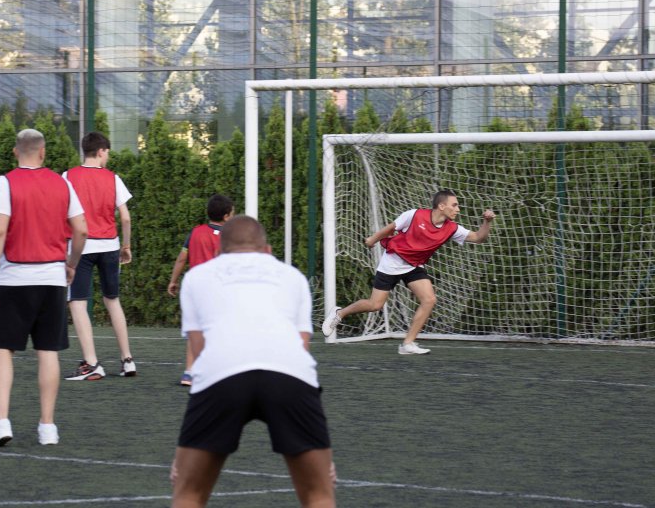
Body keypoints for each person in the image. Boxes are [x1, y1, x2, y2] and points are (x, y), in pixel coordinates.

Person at [171, 215, 335, 508]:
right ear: (268, 251)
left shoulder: (197, 277)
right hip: (290, 374)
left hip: (221, 373)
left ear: (220, 251)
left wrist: (183, 455)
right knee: (319, 494)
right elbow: (302, 344)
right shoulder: (292, 276)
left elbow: (199, 349)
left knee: (188, 494)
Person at [0, 129, 87, 447]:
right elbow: (81, 229)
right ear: (43, 153)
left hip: (15, 277)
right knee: (48, 352)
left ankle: (2, 421)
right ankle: (47, 427)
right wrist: (71, 262)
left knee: (3, 350)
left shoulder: (5, 182)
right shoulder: (63, 183)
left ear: (16, 152)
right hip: (53, 278)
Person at [322, 189, 495, 355]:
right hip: (392, 262)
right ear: (442, 206)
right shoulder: (414, 215)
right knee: (375, 305)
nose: (458, 209)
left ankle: (407, 344)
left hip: (414, 266)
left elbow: (479, 238)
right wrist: (372, 240)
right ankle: (340, 313)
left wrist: (487, 222)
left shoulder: (452, 228)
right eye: (455, 205)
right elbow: (391, 228)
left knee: (429, 300)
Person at [62, 132, 135, 381]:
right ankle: (127, 360)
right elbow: (125, 217)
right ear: (102, 150)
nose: (108, 156)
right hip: (110, 246)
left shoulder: (68, 176)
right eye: (108, 152)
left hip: (81, 247)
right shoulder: (113, 178)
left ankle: (92, 363)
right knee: (112, 300)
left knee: (78, 303)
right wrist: (126, 246)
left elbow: (62, 214)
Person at [167, 193, 234, 386]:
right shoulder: (228, 237)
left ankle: (189, 372)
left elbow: (182, 258)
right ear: (227, 216)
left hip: (195, 289)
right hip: (219, 289)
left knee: (194, 331)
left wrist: (173, 280)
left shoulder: (195, 232)